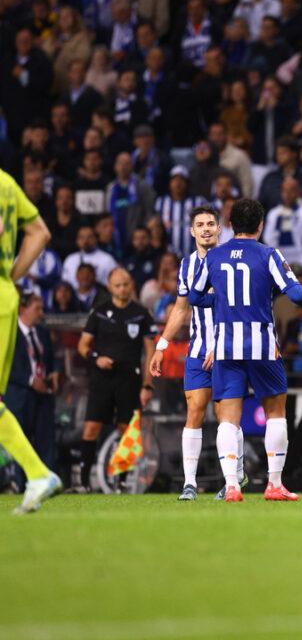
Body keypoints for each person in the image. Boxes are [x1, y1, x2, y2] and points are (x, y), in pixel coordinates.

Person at [189, 198, 302, 502]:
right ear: (260, 225)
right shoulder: (268, 254)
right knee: (275, 412)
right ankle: (274, 484)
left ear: (230, 226)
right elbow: (294, 291)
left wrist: (220, 302)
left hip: (225, 346)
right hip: (262, 345)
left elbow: (195, 297)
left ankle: (232, 487)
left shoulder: (213, 256)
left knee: (228, 418)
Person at [149, 206, 235, 501]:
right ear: (192, 231)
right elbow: (181, 309)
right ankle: (189, 483)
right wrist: (162, 345)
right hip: (198, 350)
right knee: (195, 409)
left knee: (226, 415)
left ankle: (232, 481)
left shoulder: (230, 261)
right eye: (201, 224)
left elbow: (238, 308)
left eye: (211, 223)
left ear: (219, 228)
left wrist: (220, 344)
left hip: (228, 348)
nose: (207, 228)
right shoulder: (186, 265)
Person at [0, 170, 63, 515]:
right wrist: (10, 276)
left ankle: (38, 474)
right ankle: (37, 474)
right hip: (6, 296)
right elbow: (40, 232)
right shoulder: (7, 182)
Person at [76, 267, 156, 492]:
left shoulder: (141, 314)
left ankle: (122, 481)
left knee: (126, 430)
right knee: (91, 428)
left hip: (129, 380)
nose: (123, 288)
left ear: (132, 285)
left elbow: (150, 352)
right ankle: (83, 483)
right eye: (118, 285)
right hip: (102, 379)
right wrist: (96, 358)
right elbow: (83, 346)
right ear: (110, 287)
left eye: (126, 284)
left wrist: (147, 385)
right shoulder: (99, 312)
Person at [7, 294, 58, 489]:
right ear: (23, 309)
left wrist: (54, 373)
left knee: (46, 439)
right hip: (20, 395)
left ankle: (49, 482)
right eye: (37, 308)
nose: (41, 313)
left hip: (43, 394)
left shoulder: (43, 333)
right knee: (22, 440)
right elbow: (6, 365)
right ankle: (20, 485)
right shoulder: (9, 333)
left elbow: (50, 358)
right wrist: (29, 380)